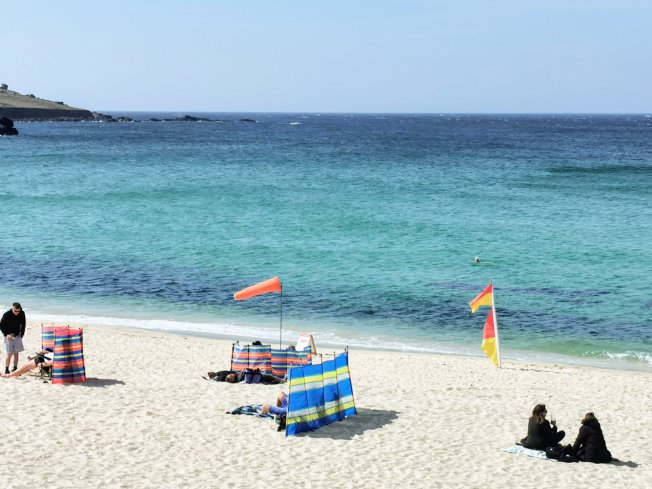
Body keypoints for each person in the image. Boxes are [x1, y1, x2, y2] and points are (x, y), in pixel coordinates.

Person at [0, 302, 26, 374]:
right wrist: (6, 334)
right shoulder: (7, 314)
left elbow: (23, 324)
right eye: (15, 311)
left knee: (16, 353)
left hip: (17, 336)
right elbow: (1, 326)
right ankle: (6, 369)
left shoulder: (22, 313)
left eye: (18, 311)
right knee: (9, 354)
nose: (17, 313)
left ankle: (15, 367)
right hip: (9, 336)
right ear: (12, 308)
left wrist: (22, 334)